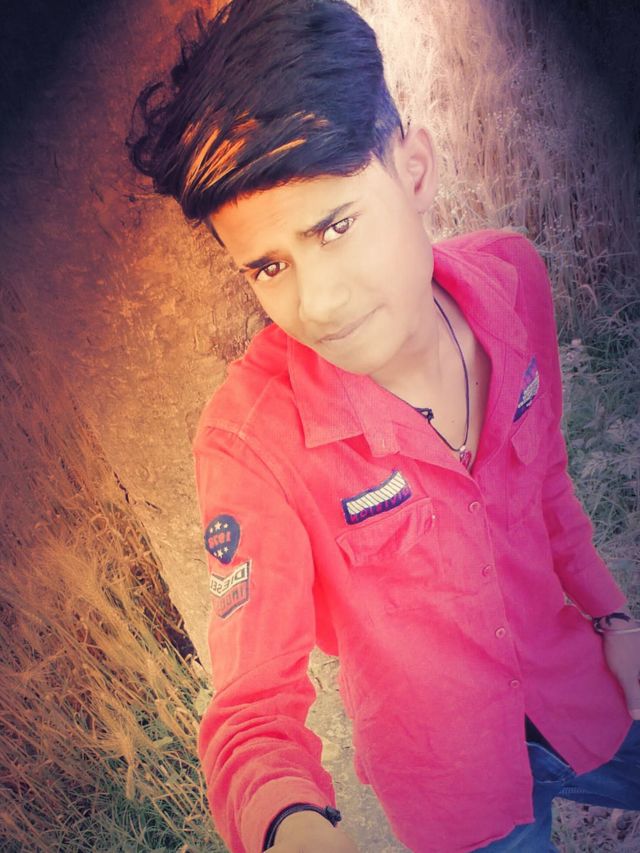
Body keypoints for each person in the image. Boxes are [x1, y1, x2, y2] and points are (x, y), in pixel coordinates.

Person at [126, 1, 640, 850]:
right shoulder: (251, 438)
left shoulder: (514, 282)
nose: (319, 302)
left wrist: (614, 619)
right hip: (458, 797)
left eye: (335, 226)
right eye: (269, 266)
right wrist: (292, 825)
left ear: (415, 170)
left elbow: (548, 488)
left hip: (583, 694)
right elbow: (254, 710)